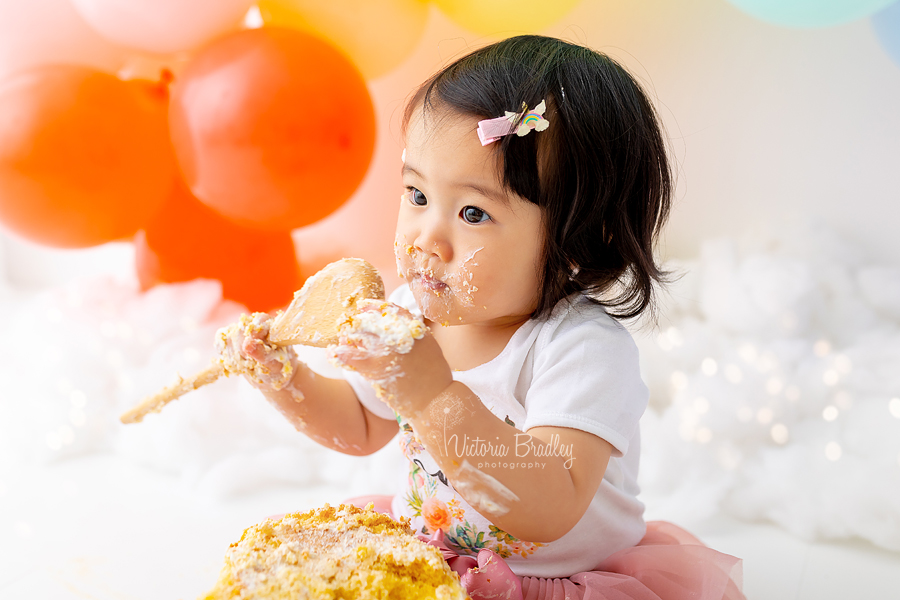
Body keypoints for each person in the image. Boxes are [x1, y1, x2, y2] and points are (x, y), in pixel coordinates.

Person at [219, 35, 745, 600]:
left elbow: (553, 502)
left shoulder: (581, 348)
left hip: (550, 581)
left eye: (473, 212)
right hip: (432, 560)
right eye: (417, 195)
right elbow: (361, 424)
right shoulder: (407, 316)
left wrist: (433, 396)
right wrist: (284, 378)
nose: (427, 239)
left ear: (579, 244)